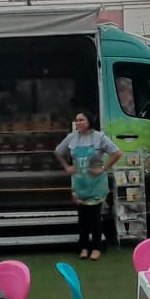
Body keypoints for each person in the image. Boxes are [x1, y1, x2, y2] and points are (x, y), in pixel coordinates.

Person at [54, 112, 121, 261]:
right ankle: (83, 247)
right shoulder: (72, 138)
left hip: (96, 183)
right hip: (79, 182)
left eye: (81, 120)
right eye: (77, 120)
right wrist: (67, 167)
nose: (78, 123)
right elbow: (58, 151)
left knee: (95, 217)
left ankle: (96, 248)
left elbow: (117, 153)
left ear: (89, 121)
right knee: (82, 218)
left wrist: (104, 169)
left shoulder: (100, 137)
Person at [71, 151, 110, 260]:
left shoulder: (97, 162)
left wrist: (100, 197)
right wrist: (74, 193)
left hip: (96, 199)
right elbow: (74, 178)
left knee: (96, 222)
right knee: (83, 223)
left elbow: (102, 180)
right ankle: (84, 248)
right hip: (81, 198)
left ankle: (96, 249)